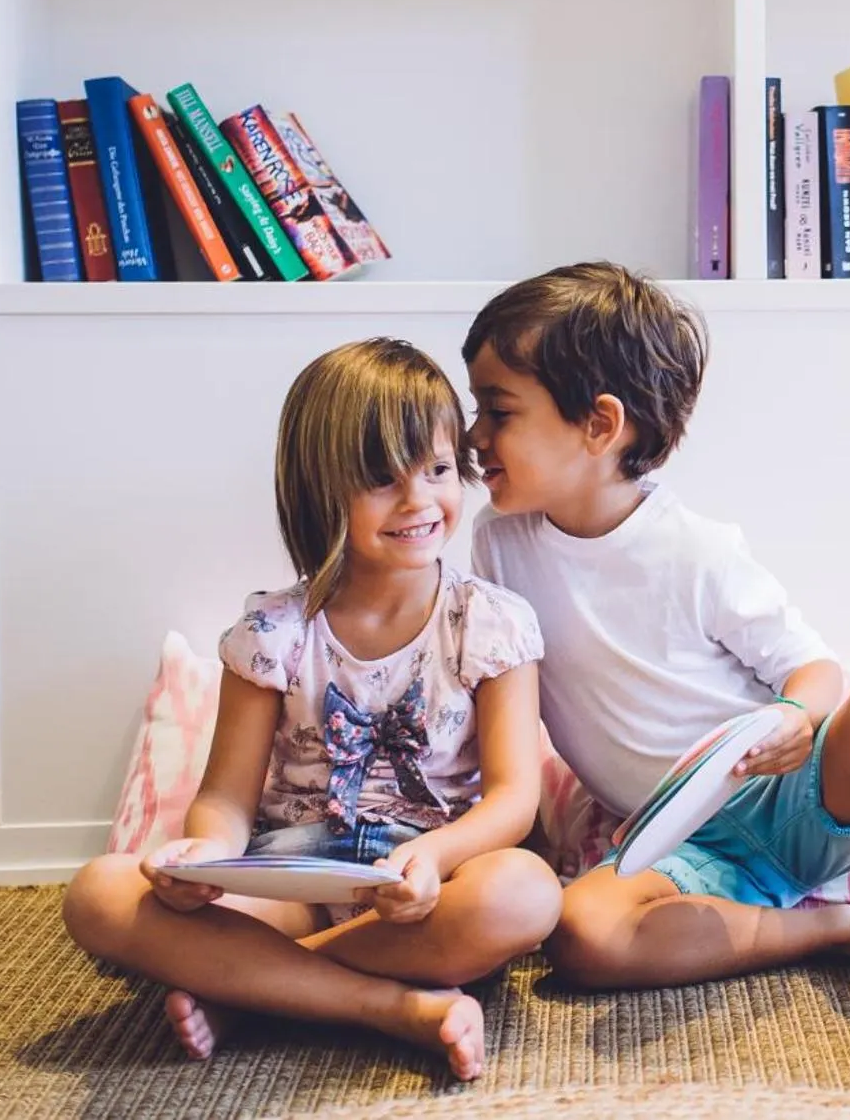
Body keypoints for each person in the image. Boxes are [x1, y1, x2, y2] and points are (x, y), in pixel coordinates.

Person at [463, 263, 850, 1118]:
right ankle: (838, 928)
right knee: (582, 933)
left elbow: (814, 670)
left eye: (499, 410)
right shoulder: (499, 545)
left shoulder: (694, 549)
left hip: (789, 793)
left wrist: (794, 714)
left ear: (599, 425)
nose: (473, 436)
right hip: (687, 847)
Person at [61, 338, 562, 1080]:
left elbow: (515, 796)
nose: (420, 499)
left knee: (525, 894)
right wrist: (204, 855)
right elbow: (226, 796)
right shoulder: (273, 634)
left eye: (438, 469)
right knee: (98, 894)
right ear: (321, 488)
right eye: (381, 479)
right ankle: (391, 1008)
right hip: (288, 881)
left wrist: (431, 857)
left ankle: (258, 989)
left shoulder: (491, 623)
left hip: (427, 887)